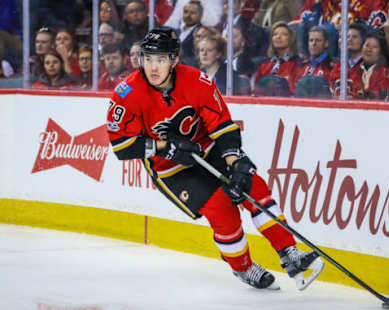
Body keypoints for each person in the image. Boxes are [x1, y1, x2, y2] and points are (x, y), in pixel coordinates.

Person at [106, 27, 324, 290]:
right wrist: (166, 147)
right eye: (148, 59)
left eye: (161, 59)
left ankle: (290, 253)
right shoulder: (126, 94)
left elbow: (222, 126)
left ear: (174, 61)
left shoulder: (197, 81)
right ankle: (243, 268)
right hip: (172, 170)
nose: (153, 67)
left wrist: (236, 162)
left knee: (252, 186)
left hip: (209, 150)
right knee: (222, 209)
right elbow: (122, 146)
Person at [254, 21, 299, 95]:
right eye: (275, 34)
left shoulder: (297, 64)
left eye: (284, 34)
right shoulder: (264, 65)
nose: (278, 37)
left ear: (291, 39)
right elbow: (257, 90)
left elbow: (294, 91)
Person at [350, 33, 389, 100]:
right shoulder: (354, 71)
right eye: (367, 46)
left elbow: (384, 97)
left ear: (381, 52)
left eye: (374, 47)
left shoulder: (385, 73)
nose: (369, 50)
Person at [329, 23, 367, 98]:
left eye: (354, 37)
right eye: (347, 37)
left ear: (363, 41)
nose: (349, 39)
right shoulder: (338, 66)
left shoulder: (366, 66)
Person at [178, 0, 204, 67]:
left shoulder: (202, 33)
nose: (188, 15)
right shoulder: (177, 31)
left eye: (193, 13)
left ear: (201, 15)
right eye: (185, 12)